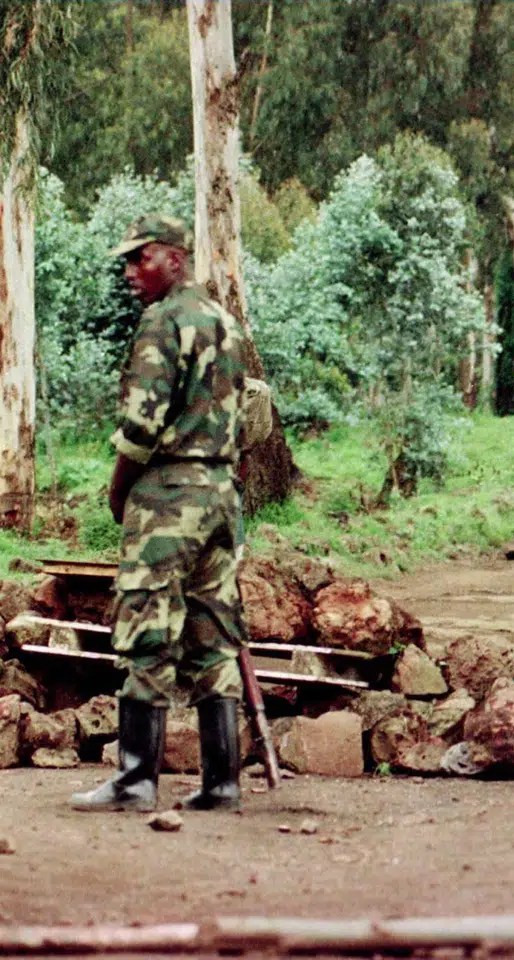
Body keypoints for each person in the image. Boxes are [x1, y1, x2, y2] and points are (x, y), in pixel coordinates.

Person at [72, 215, 251, 813]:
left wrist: (119, 489)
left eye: (139, 259)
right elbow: (248, 416)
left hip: (169, 496)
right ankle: (222, 781)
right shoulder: (224, 322)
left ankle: (135, 779)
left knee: (146, 627)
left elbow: (142, 424)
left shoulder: (162, 321)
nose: (129, 272)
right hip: (221, 494)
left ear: (173, 259)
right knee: (211, 632)